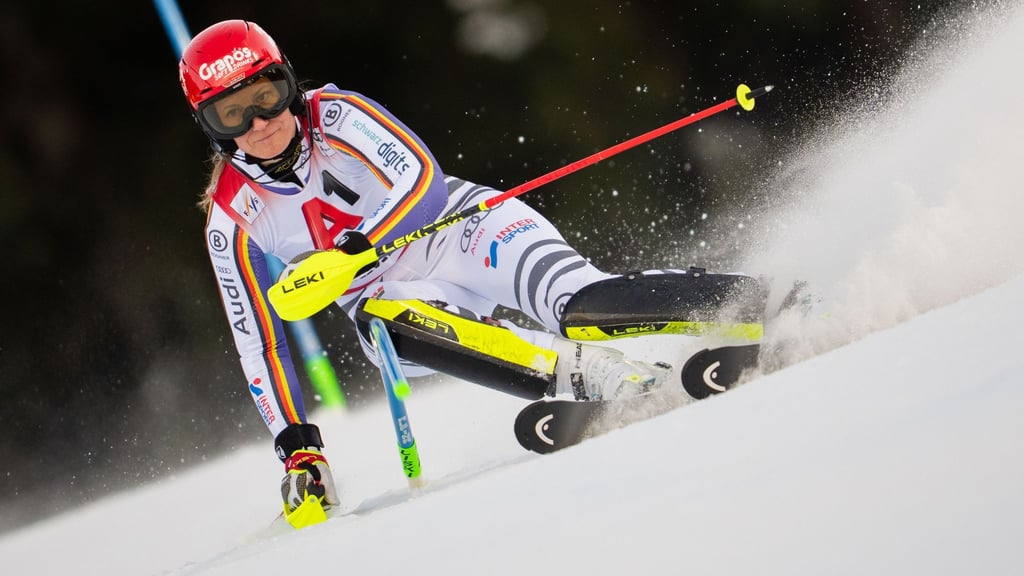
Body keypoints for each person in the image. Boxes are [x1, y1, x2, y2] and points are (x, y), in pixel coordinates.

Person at [178, 20, 766, 521]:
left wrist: (358, 249)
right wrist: (300, 452)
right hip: (394, 295)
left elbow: (421, 179)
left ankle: (757, 302)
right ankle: (613, 382)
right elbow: (258, 341)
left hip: (464, 228)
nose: (260, 123)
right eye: (233, 114)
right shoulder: (231, 219)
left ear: (288, 82)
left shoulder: (339, 115)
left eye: (268, 95)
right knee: (387, 326)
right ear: (211, 127)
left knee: (582, 307)